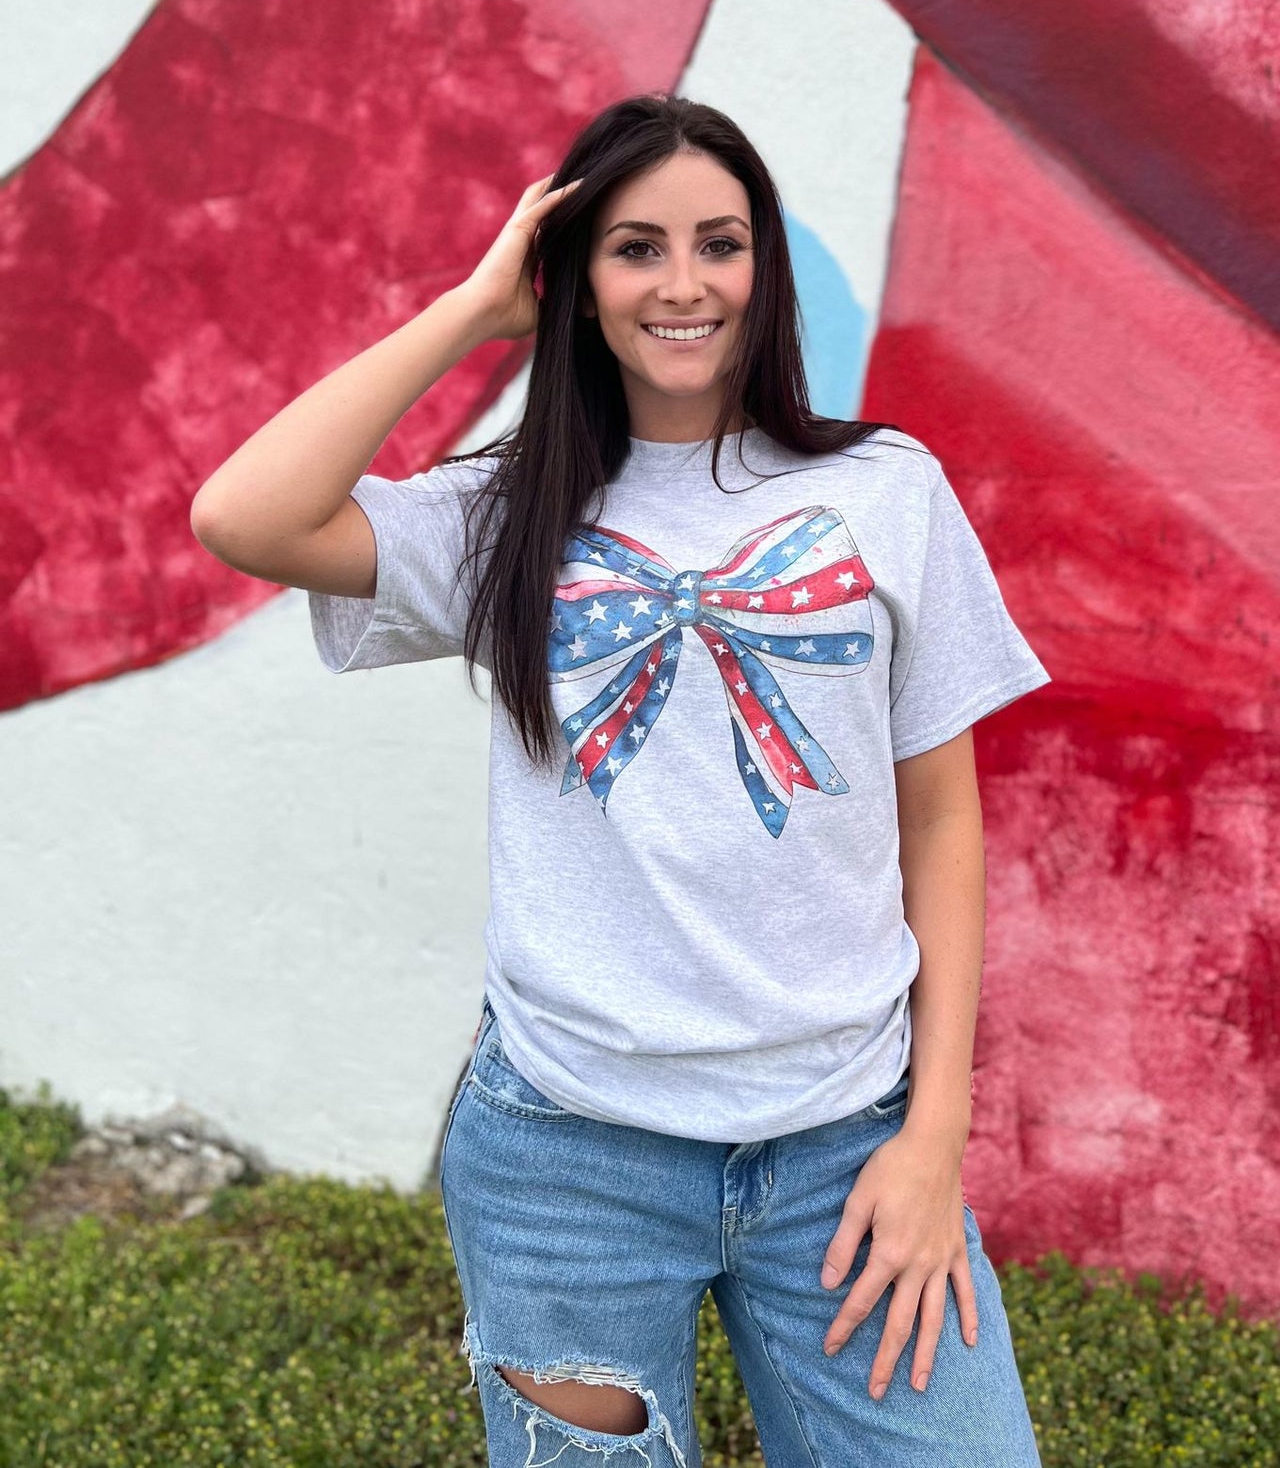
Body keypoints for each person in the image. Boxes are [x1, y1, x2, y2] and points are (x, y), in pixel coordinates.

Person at [192, 92, 1051, 1466]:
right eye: (634, 248)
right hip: (567, 1159)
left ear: (760, 266)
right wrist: (476, 312)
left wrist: (933, 1134)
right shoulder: (505, 516)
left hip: (841, 1137)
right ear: (577, 279)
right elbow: (245, 515)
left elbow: (941, 820)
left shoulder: (887, 491)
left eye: (717, 243)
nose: (682, 283)